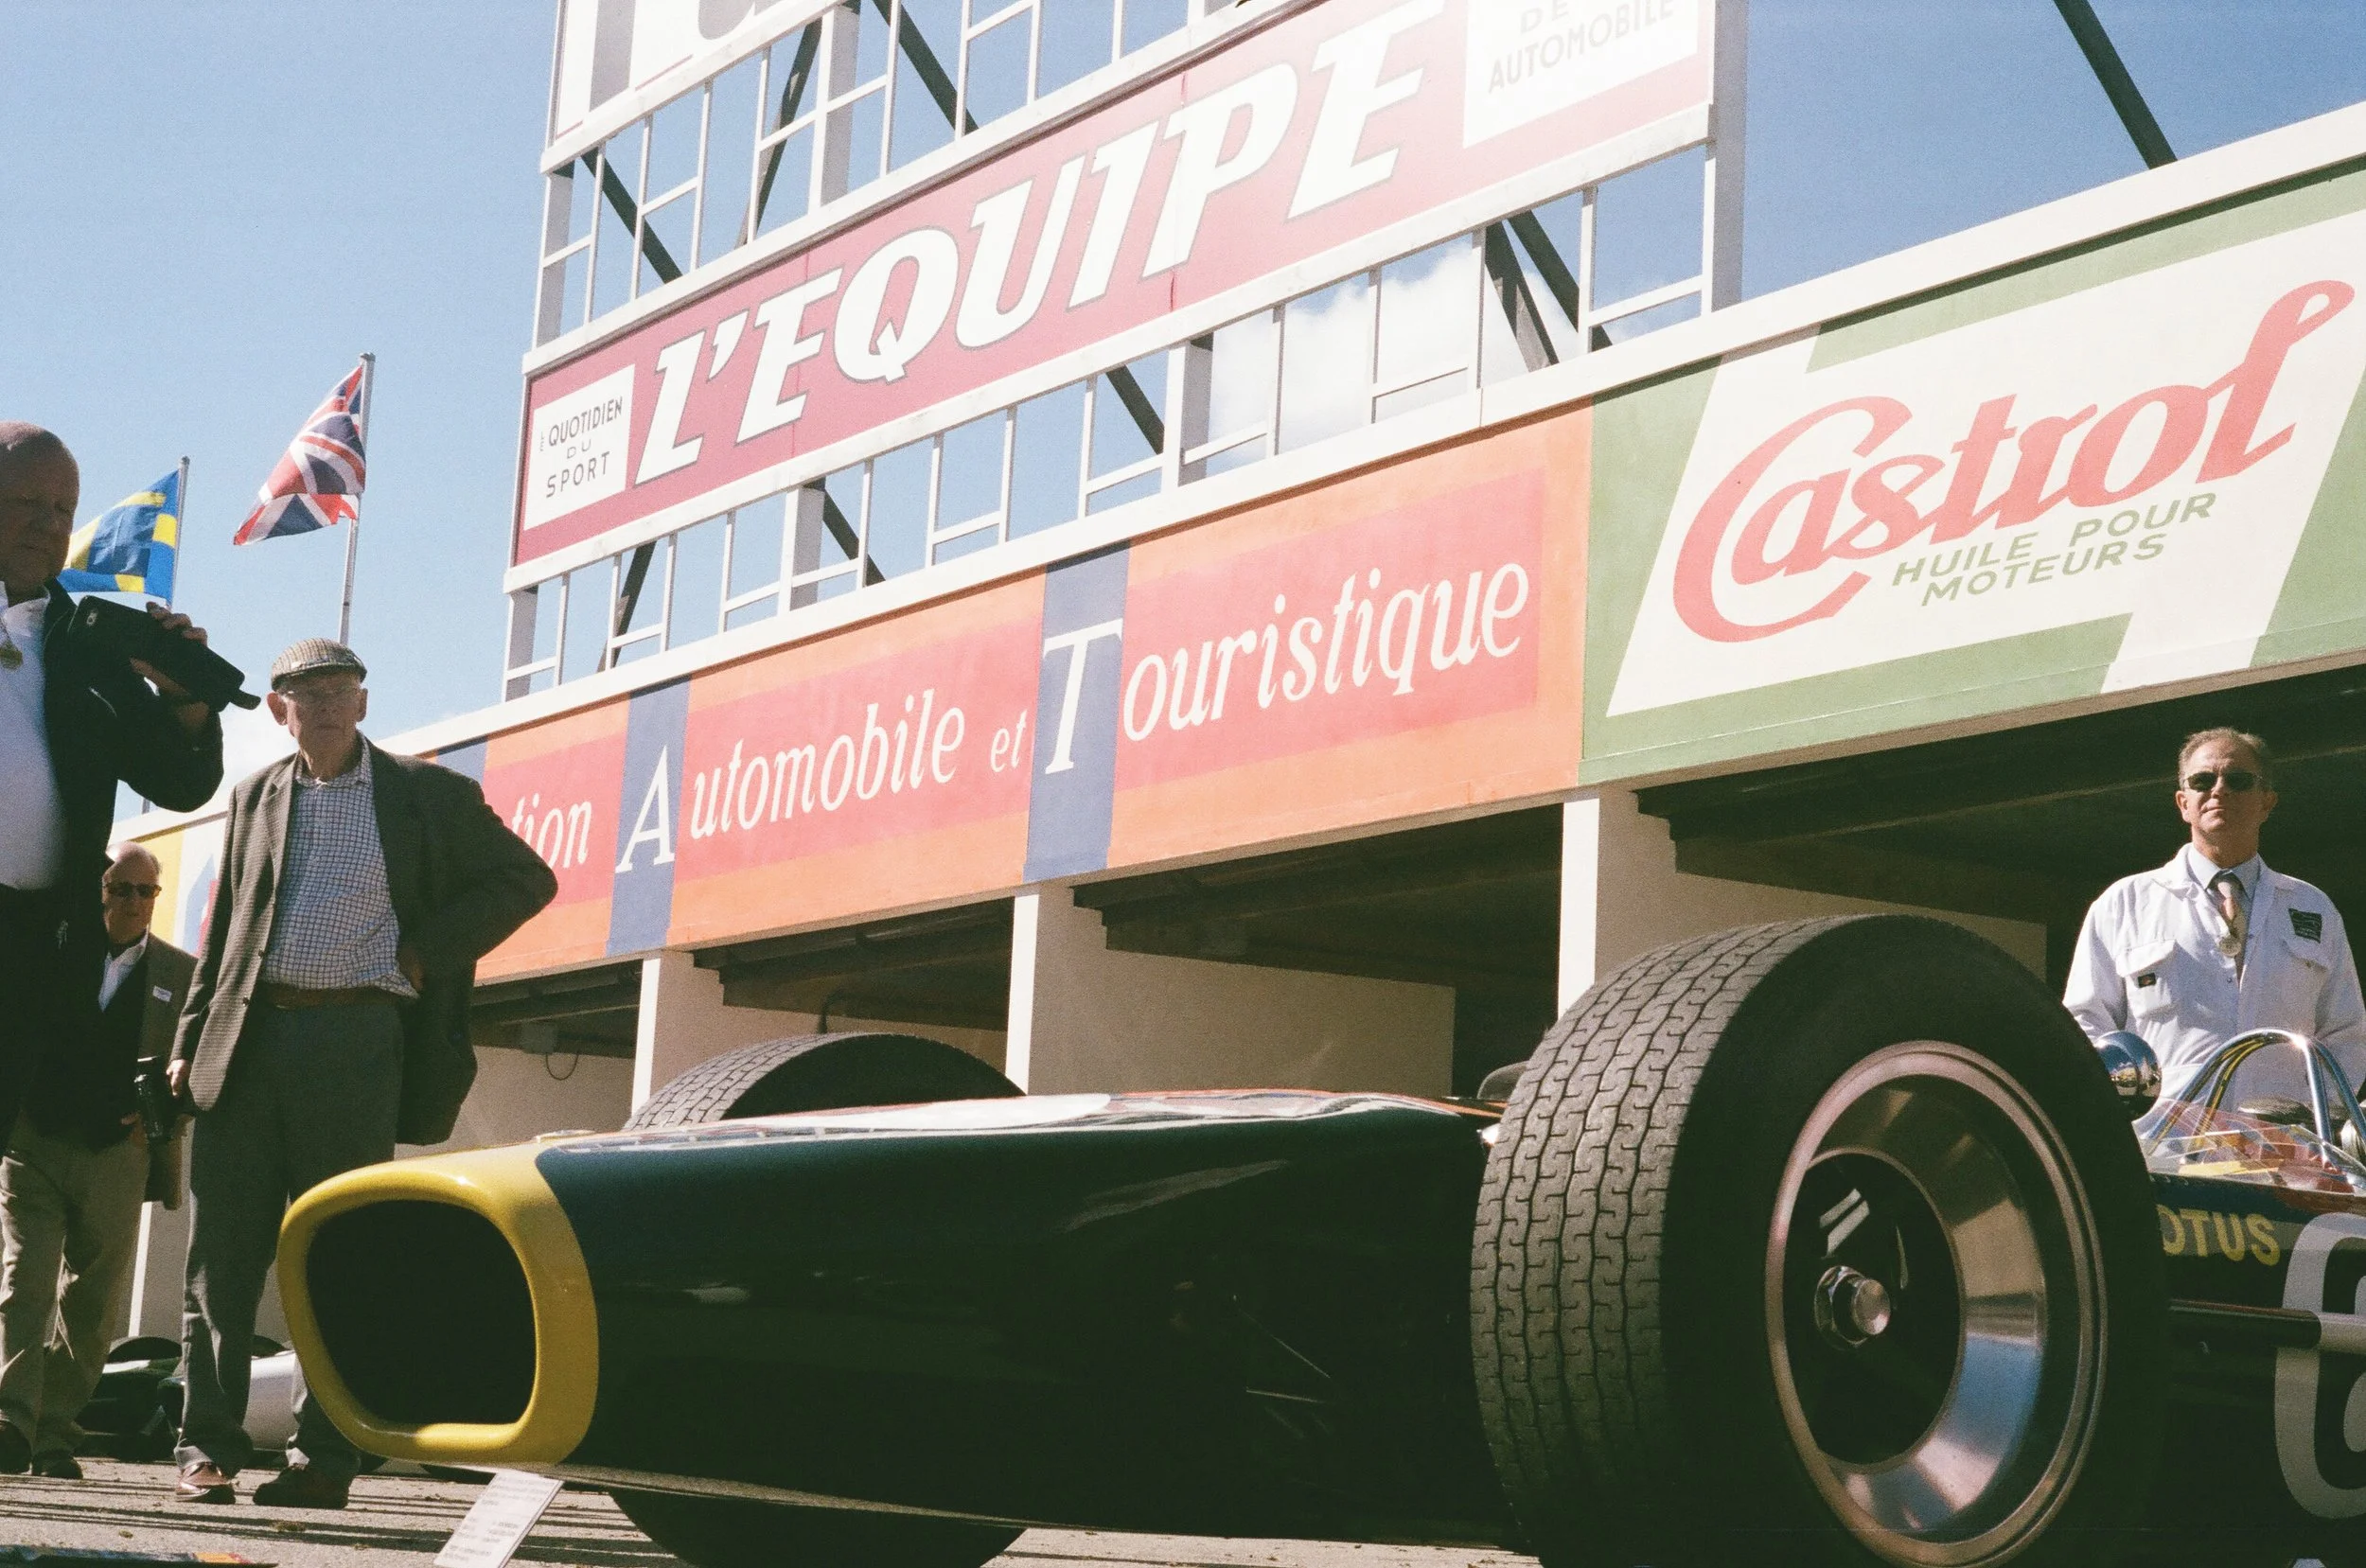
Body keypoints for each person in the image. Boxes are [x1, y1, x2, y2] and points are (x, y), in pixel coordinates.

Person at [168, 638, 556, 1508]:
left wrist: (425, 953)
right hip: (248, 1041)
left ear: (365, 703)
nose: (330, 704)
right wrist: (191, 1037)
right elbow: (224, 927)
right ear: (279, 709)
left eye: (344, 689)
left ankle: (324, 1458)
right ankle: (207, 1447)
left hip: (355, 1045)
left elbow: (528, 878)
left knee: (334, 1260)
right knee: (218, 1263)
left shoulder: (426, 795)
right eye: (310, 692)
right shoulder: (255, 794)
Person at [0, 422, 221, 1161]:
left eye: (62, 509)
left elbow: (180, 779)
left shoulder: (83, 639)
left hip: (30, 950)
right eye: (27, 501)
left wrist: (187, 696)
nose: (48, 523)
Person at [0, 842, 194, 1477]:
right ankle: (10, 1422)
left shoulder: (181, 973)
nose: (135, 903)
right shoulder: (52, 949)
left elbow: (201, 1060)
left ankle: (55, 1431)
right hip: (35, 1141)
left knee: (92, 1300)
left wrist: (169, 1109)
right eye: (122, 889)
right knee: (24, 1280)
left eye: (147, 892)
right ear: (100, 891)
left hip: (120, 1152)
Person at [2064, 727, 2366, 1106]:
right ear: (2183, 802)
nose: (2219, 790)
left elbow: (2347, 1034)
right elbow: (2085, 1027)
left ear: (2267, 802)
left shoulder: (2312, 908)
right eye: (2203, 780)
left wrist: (2308, 1117)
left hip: (2281, 1151)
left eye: (2238, 781)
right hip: (2163, 1147)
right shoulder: (2123, 904)